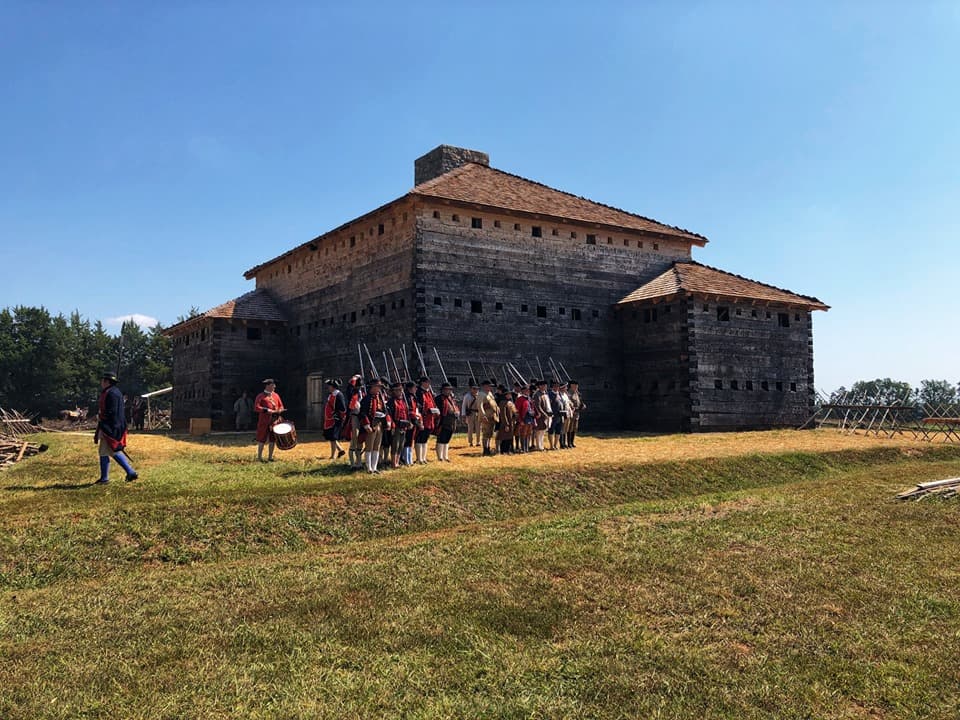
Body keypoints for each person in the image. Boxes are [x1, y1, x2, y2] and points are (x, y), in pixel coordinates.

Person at [94, 372, 138, 484]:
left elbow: (111, 411)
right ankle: (129, 472)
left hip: (111, 426)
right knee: (111, 450)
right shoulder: (115, 392)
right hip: (114, 425)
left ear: (107, 381)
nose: (101, 382)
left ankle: (107, 478)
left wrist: (102, 419)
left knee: (106, 451)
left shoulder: (111, 393)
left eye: (103, 380)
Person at [358, 377, 386, 474]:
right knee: (369, 446)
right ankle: (369, 467)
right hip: (371, 424)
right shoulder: (366, 399)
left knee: (376, 446)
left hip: (379, 423)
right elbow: (363, 413)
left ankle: (374, 467)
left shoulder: (380, 398)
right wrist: (366, 425)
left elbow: (384, 410)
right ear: (373, 387)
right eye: (378, 386)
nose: (379, 388)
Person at [254, 378, 285, 462]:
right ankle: (259, 457)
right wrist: (267, 410)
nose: (274, 386)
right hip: (264, 421)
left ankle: (270, 457)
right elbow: (256, 407)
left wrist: (280, 410)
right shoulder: (260, 396)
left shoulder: (276, 395)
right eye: (272, 385)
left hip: (274, 421)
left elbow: (281, 405)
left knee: (273, 439)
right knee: (261, 439)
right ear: (267, 386)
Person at [386, 382, 412, 468]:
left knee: (401, 445)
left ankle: (397, 462)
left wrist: (409, 423)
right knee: (395, 445)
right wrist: (392, 425)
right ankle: (393, 463)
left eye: (401, 390)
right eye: (398, 390)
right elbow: (389, 414)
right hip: (396, 426)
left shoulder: (403, 401)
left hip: (403, 426)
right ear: (394, 391)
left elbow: (406, 413)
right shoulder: (391, 401)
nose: (400, 392)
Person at [415, 376, 438, 464]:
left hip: (429, 418)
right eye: (427, 382)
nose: (429, 384)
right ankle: (419, 458)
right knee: (420, 438)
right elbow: (419, 406)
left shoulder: (429, 393)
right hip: (423, 418)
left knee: (425, 438)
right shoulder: (419, 392)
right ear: (423, 383)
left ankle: (423, 458)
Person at [435, 382, 459, 462]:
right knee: (441, 439)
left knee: (447, 440)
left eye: (450, 389)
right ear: (443, 390)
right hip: (443, 421)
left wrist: (456, 412)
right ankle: (440, 457)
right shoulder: (439, 399)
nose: (449, 391)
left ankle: (445, 456)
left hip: (451, 422)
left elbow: (455, 407)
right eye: (447, 389)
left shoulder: (451, 398)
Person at [322, 379, 347, 460]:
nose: (328, 387)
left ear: (333, 387)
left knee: (333, 437)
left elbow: (343, 408)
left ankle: (333, 456)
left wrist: (339, 416)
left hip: (335, 419)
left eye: (329, 386)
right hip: (329, 419)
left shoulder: (339, 395)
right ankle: (340, 450)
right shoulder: (331, 395)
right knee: (331, 436)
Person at [345, 374, 365, 470]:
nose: (359, 387)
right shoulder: (352, 393)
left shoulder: (363, 393)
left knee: (360, 440)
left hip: (362, 417)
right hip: (354, 416)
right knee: (354, 438)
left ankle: (359, 462)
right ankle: (352, 463)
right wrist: (354, 379)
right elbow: (349, 389)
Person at [477, 379, 500, 456]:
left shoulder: (490, 393)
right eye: (488, 386)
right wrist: (483, 415)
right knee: (485, 433)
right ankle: (485, 449)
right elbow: (480, 405)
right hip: (486, 416)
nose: (490, 387)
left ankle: (488, 447)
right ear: (484, 386)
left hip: (492, 416)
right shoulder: (481, 394)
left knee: (490, 433)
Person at [532, 379, 552, 451]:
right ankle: (538, 446)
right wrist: (544, 414)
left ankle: (541, 445)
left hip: (546, 414)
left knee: (543, 431)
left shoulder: (545, 394)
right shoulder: (537, 394)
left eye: (545, 385)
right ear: (540, 386)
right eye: (543, 385)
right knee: (539, 431)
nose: (545, 386)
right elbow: (538, 406)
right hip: (540, 415)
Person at [497, 389, 518, 455]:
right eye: (508, 394)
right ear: (505, 395)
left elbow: (514, 411)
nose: (510, 395)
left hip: (512, 422)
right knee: (505, 437)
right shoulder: (503, 403)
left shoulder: (510, 402)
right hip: (506, 423)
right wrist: (506, 424)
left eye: (510, 394)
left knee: (509, 437)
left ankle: (508, 450)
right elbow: (503, 415)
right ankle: (504, 450)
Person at [514, 384, 534, 453]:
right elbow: (517, 411)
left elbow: (532, 407)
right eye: (526, 390)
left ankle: (527, 448)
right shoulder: (520, 399)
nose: (527, 391)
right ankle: (523, 448)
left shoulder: (529, 398)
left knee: (528, 433)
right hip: (523, 418)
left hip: (530, 418)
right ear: (522, 391)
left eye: (528, 390)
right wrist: (520, 420)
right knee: (523, 434)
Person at [567, 380, 586, 448]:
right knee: (570, 428)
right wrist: (574, 408)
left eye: (577, 386)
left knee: (575, 428)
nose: (576, 387)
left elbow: (579, 401)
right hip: (572, 413)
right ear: (571, 386)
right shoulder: (569, 393)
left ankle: (572, 442)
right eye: (575, 386)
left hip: (577, 413)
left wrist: (582, 405)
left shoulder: (577, 393)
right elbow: (569, 403)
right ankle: (569, 443)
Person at [460, 380, 480, 447]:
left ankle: (478, 441)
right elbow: (464, 405)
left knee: (478, 428)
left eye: (476, 389)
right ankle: (470, 442)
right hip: (470, 414)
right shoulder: (467, 396)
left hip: (478, 413)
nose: (475, 390)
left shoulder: (479, 396)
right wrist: (463, 415)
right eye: (474, 388)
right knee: (470, 429)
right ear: (471, 389)